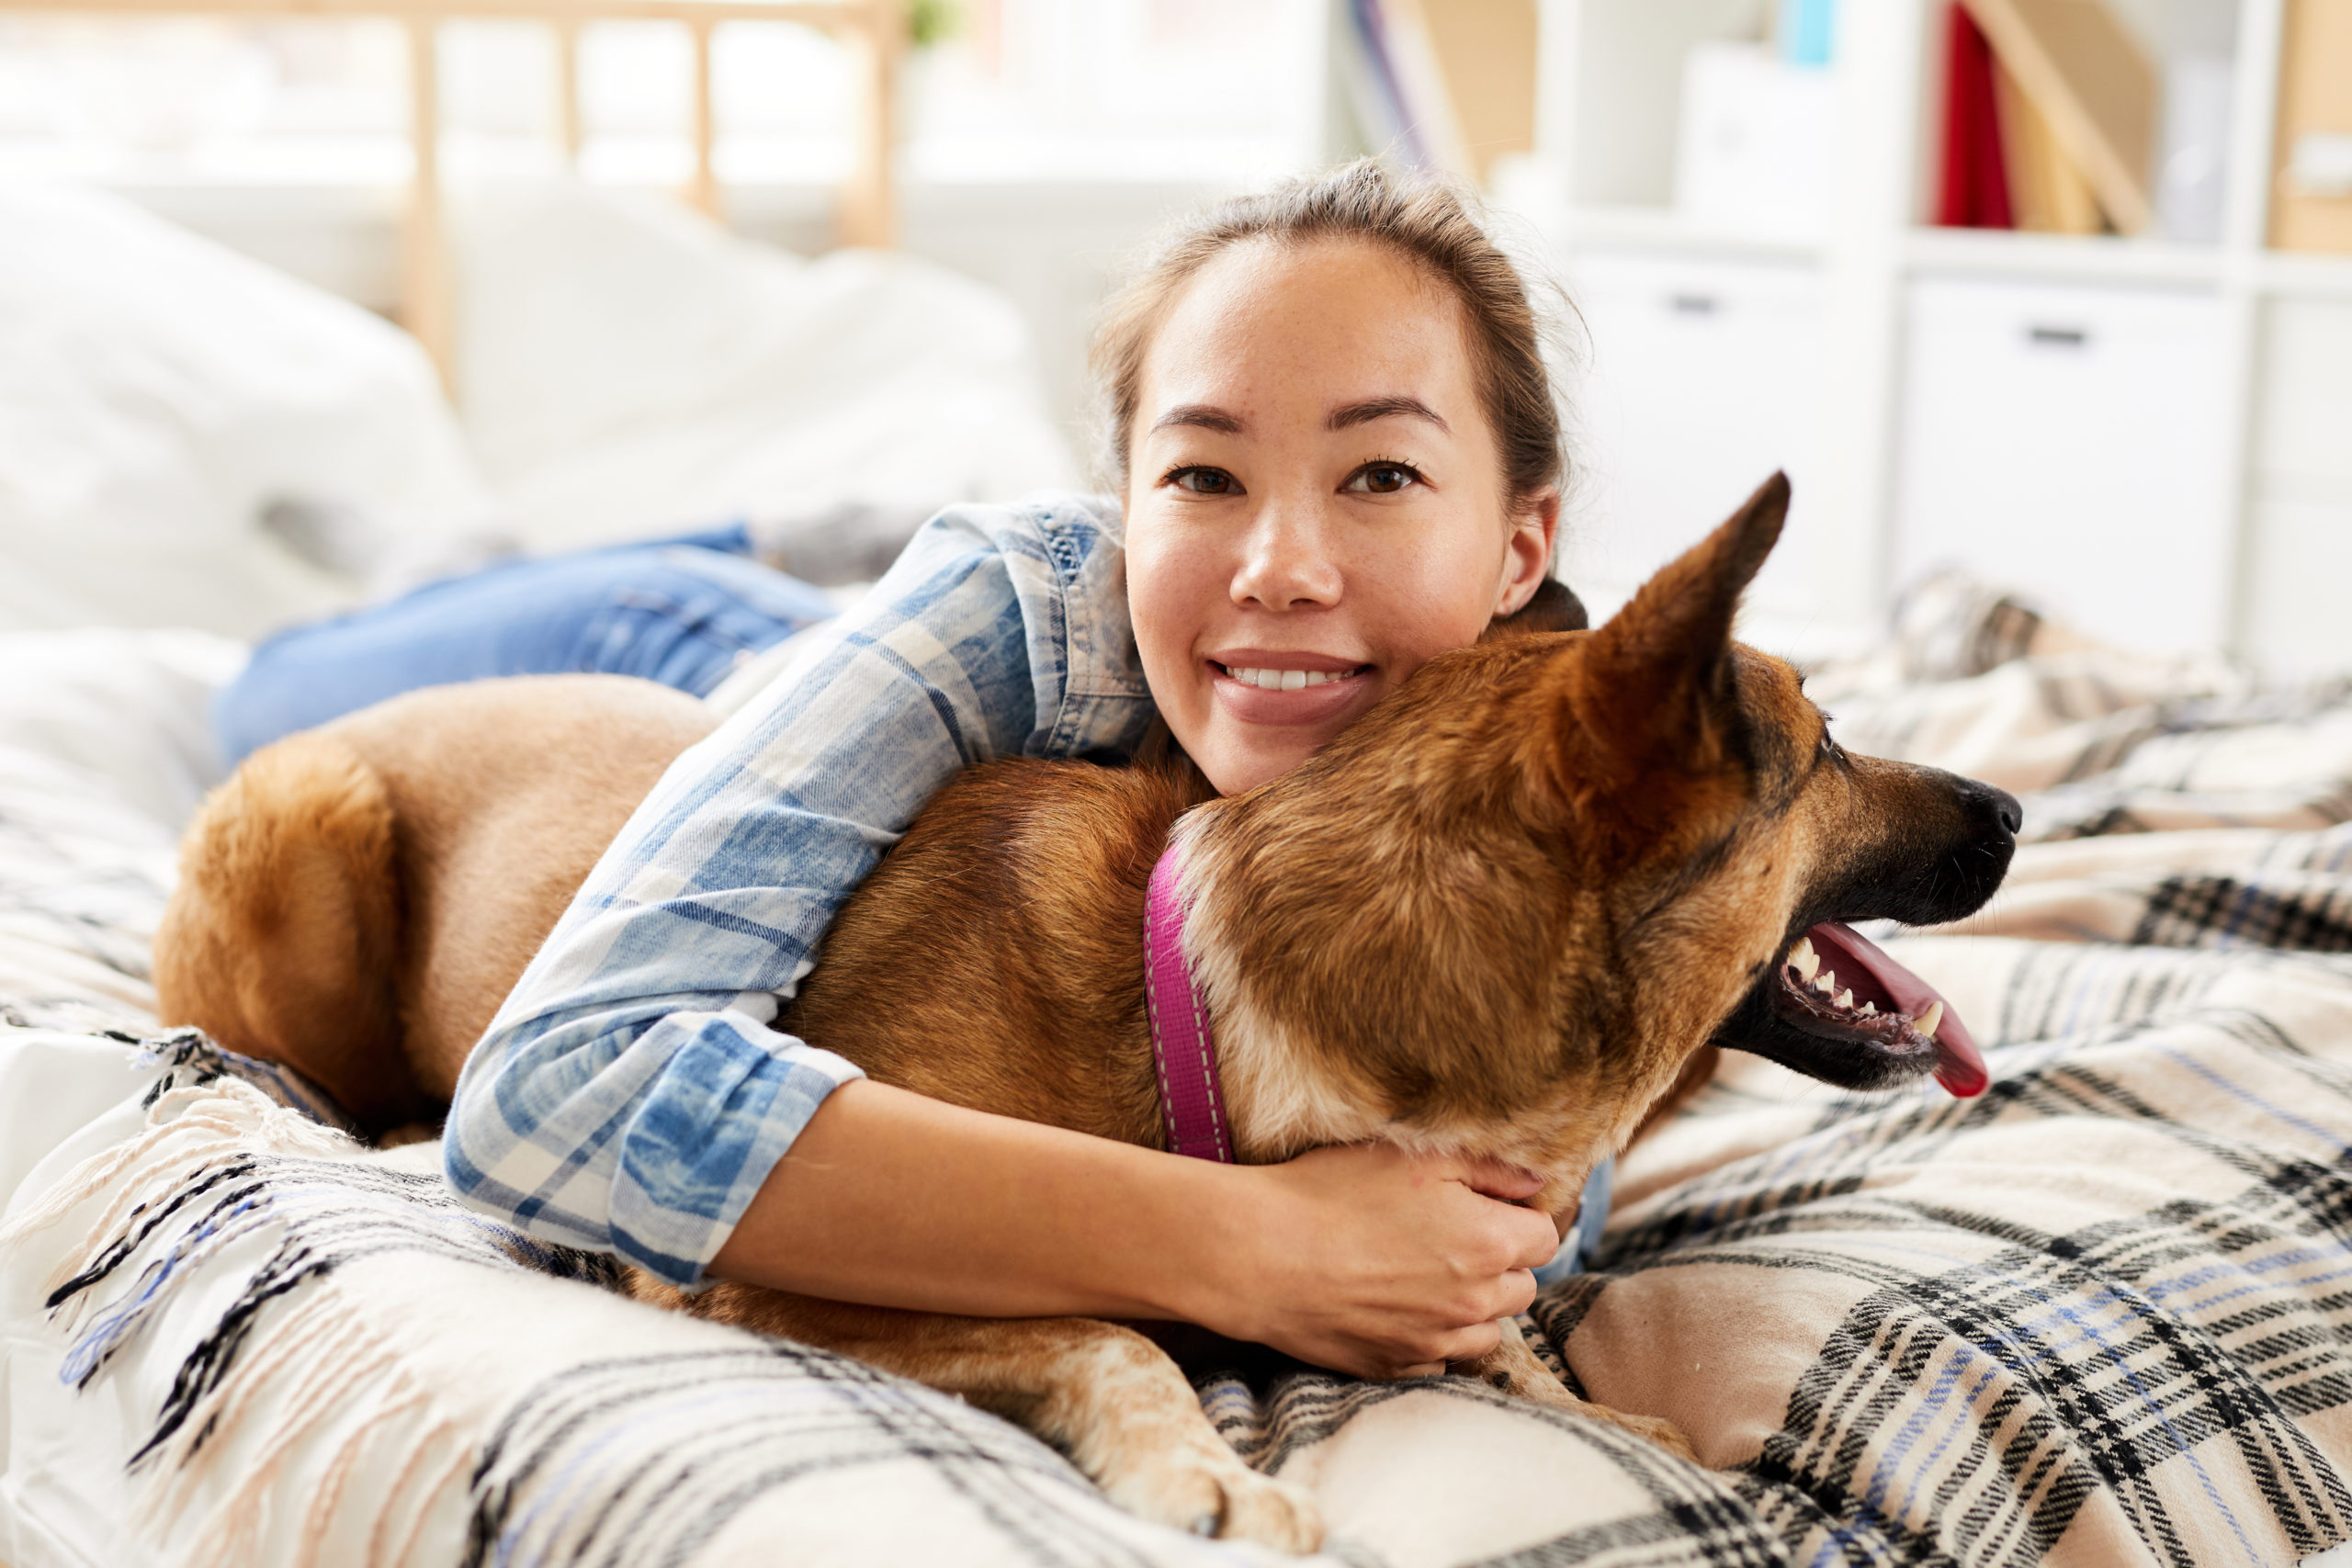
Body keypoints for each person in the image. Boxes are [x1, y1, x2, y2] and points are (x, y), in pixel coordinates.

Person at [240, 160, 1595, 1382]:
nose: (1278, 567)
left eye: (1381, 476)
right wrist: (1254, 1243)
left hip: (826, 651)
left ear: (1520, 549)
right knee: (274, 680)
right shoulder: (1028, 619)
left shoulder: (1599, 772)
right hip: (677, 666)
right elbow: (553, 1098)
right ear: (1123, 500)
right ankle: (569, 555)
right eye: (1201, 476)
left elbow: (1545, 1163)